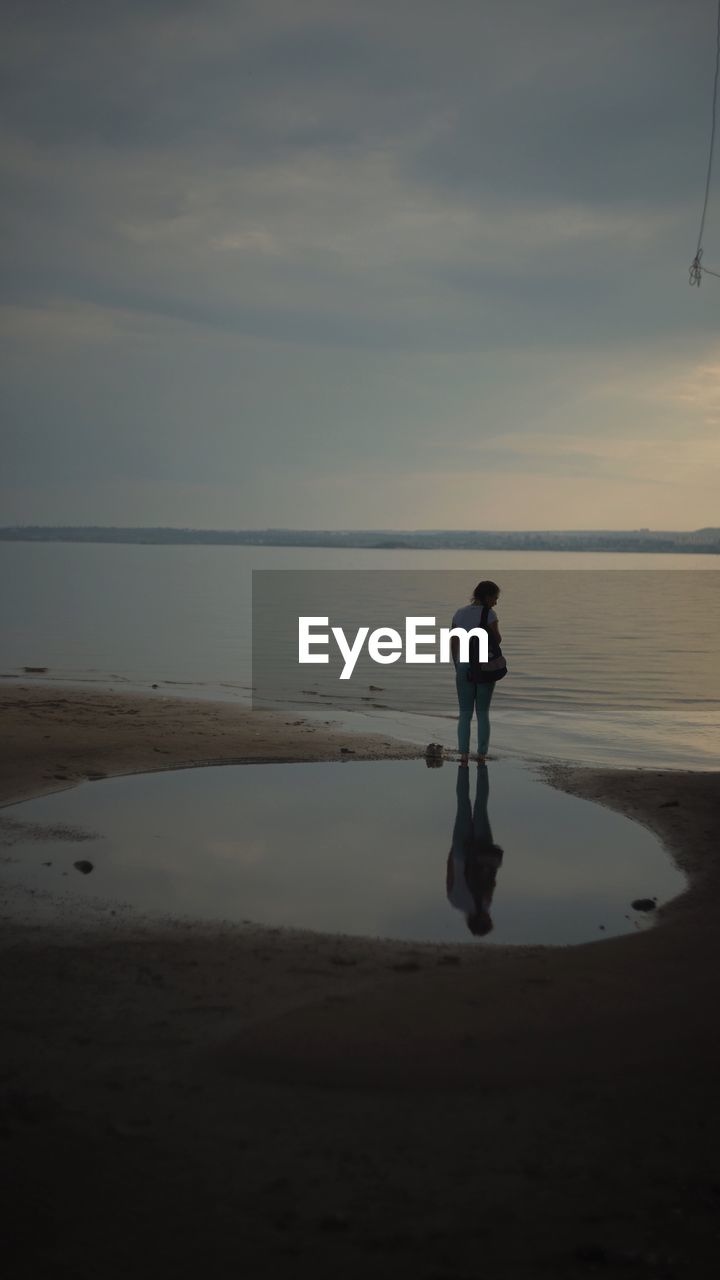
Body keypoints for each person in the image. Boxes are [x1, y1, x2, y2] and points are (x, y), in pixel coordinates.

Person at [446, 763, 504, 936]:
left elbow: (492, 880)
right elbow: (450, 873)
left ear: (484, 918)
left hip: (483, 853)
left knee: (481, 806)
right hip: (460, 854)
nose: (489, 915)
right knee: (462, 803)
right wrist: (453, 851)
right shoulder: (455, 901)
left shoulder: (486, 902)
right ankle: (465, 767)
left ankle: (481, 766)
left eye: (489, 918)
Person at [450, 579, 502, 765]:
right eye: (495, 598)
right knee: (482, 713)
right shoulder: (490, 614)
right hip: (484, 666)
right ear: (487, 597)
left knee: (464, 714)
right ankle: (481, 755)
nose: (496, 602)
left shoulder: (459, 613)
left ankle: (463, 755)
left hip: (463, 664)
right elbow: (497, 639)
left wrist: (457, 665)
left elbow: (453, 642)